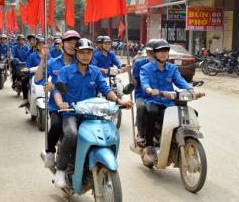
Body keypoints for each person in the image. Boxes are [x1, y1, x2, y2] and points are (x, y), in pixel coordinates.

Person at [52, 38, 133, 188]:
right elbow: (57, 89)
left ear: (92, 54)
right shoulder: (66, 71)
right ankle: (61, 171)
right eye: (81, 52)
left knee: (108, 133)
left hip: (91, 114)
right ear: (76, 53)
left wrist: (119, 101)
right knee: (72, 134)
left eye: (88, 52)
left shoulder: (95, 71)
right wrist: (60, 103)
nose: (85, 56)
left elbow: (105, 89)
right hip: (71, 113)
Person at [140, 39, 205, 164]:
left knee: (192, 113)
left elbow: (180, 81)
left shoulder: (172, 68)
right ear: (154, 53)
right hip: (153, 99)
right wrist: (149, 90)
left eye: (166, 51)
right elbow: (144, 83)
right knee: (152, 112)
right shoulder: (146, 68)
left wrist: (192, 91)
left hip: (169, 101)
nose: (163, 54)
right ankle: (149, 146)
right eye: (160, 51)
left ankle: (178, 140)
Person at [34, 30, 81, 168]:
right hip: (57, 106)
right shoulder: (53, 62)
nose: (72, 45)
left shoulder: (82, 61)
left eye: (75, 43)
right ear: (63, 44)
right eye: (69, 42)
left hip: (78, 105)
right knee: (55, 125)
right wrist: (43, 59)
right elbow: (38, 80)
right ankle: (49, 152)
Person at [131, 39, 157, 147]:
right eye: (150, 52)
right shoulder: (139, 64)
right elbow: (136, 84)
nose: (153, 55)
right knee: (141, 108)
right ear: (147, 53)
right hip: (142, 94)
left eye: (155, 53)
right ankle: (141, 134)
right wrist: (130, 75)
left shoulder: (165, 65)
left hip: (158, 96)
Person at [19, 35, 45, 107]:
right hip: (34, 76)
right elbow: (28, 66)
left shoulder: (48, 55)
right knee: (24, 79)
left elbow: (53, 63)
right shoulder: (32, 55)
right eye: (40, 44)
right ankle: (25, 98)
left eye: (43, 44)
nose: (41, 46)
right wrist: (26, 69)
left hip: (46, 76)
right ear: (36, 46)